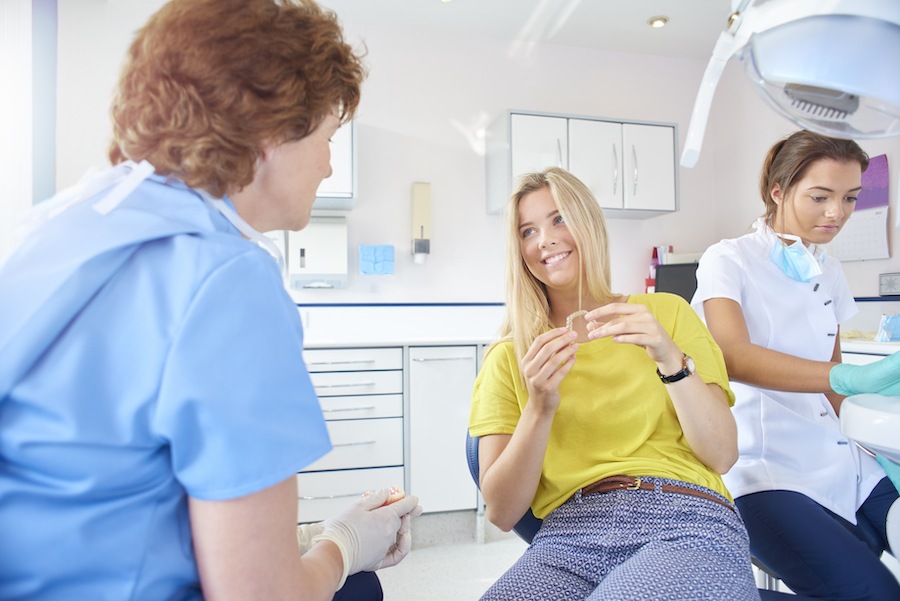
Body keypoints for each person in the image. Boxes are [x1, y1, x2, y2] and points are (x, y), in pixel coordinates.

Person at [0, 1, 421, 599]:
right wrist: (344, 543)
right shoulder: (227, 277)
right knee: (361, 587)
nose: (329, 164)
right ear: (272, 132)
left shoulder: (67, 224)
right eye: (328, 136)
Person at [468, 167, 760, 600]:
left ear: (588, 223)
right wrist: (540, 406)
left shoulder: (666, 313)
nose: (544, 239)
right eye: (527, 230)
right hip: (569, 534)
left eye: (559, 219)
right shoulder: (511, 356)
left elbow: (721, 455)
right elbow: (503, 512)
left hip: (682, 515)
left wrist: (669, 358)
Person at [692, 130, 900, 600]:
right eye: (820, 196)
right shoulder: (729, 259)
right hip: (766, 468)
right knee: (873, 592)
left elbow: (835, 381)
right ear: (778, 191)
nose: (837, 213)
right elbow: (729, 354)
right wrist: (844, 376)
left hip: (843, 459)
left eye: (849, 198)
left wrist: (879, 446)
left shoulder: (828, 268)